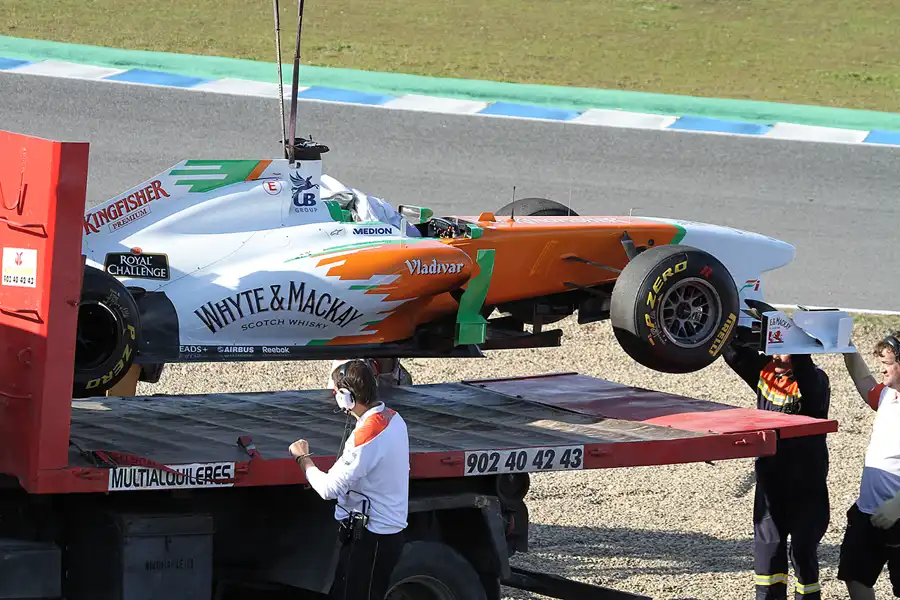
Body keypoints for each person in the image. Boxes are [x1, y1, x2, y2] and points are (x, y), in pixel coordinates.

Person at [289, 359, 410, 600]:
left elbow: (328, 488)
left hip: (370, 540)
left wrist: (303, 458)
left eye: (336, 392)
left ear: (346, 397)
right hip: (383, 537)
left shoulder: (366, 437)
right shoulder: (393, 418)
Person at [723, 342, 831, 600]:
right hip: (771, 482)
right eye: (773, 347)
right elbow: (733, 354)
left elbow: (806, 377)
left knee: (803, 553)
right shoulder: (766, 373)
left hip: (807, 485)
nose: (775, 355)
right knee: (768, 553)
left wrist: (796, 344)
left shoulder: (815, 379)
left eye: (783, 349)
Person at [837, 331, 900, 599]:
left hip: (897, 514)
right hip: (867, 511)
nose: (882, 370)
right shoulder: (888, 395)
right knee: (855, 576)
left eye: (887, 364)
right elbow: (864, 382)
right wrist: (846, 348)